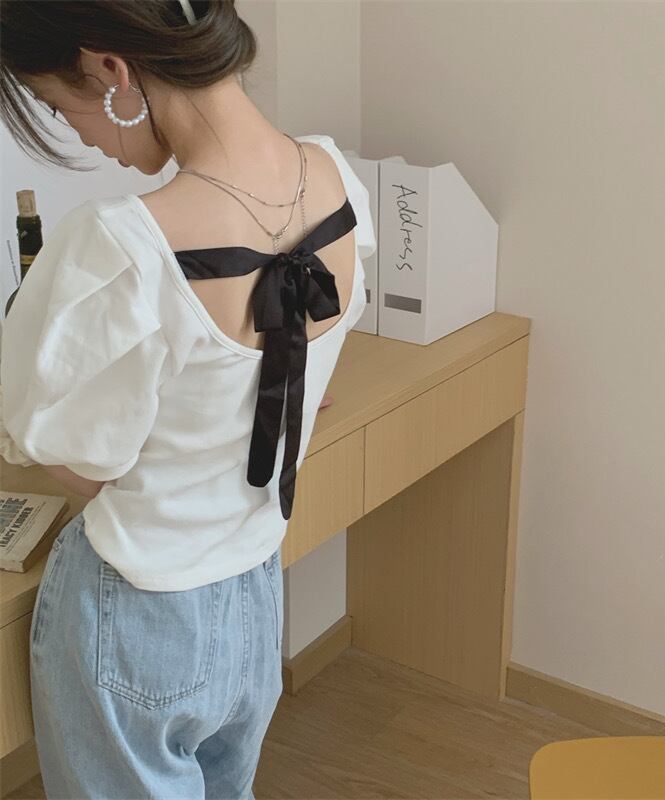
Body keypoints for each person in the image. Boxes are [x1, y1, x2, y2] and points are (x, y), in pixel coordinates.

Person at [0, 1, 376, 797]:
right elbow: (302, 378)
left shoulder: (123, 245)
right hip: (254, 594)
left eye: (58, 108)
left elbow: (85, 466)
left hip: (135, 613)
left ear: (108, 69)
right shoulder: (336, 179)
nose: (79, 135)